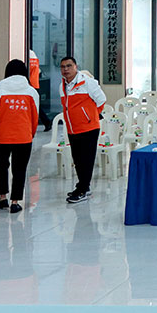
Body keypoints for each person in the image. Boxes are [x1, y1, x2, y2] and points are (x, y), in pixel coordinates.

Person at [0, 59, 39, 214]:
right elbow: (35, 117)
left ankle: (2, 198)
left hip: (1, 137)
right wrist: (31, 133)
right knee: (20, 169)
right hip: (23, 137)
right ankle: (15, 202)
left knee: (1, 167)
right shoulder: (31, 92)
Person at [59, 56, 106, 204]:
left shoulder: (87, 83)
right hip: (73, 129)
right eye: (63, 67)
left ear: (75, 67)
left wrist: (90, 116)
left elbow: (101, 100)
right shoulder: (62, 86)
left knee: (86, 160)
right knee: (78, 160)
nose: (66, 69)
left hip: (89, 128)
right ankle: (83, 186)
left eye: (69, 66)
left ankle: (82, 189)